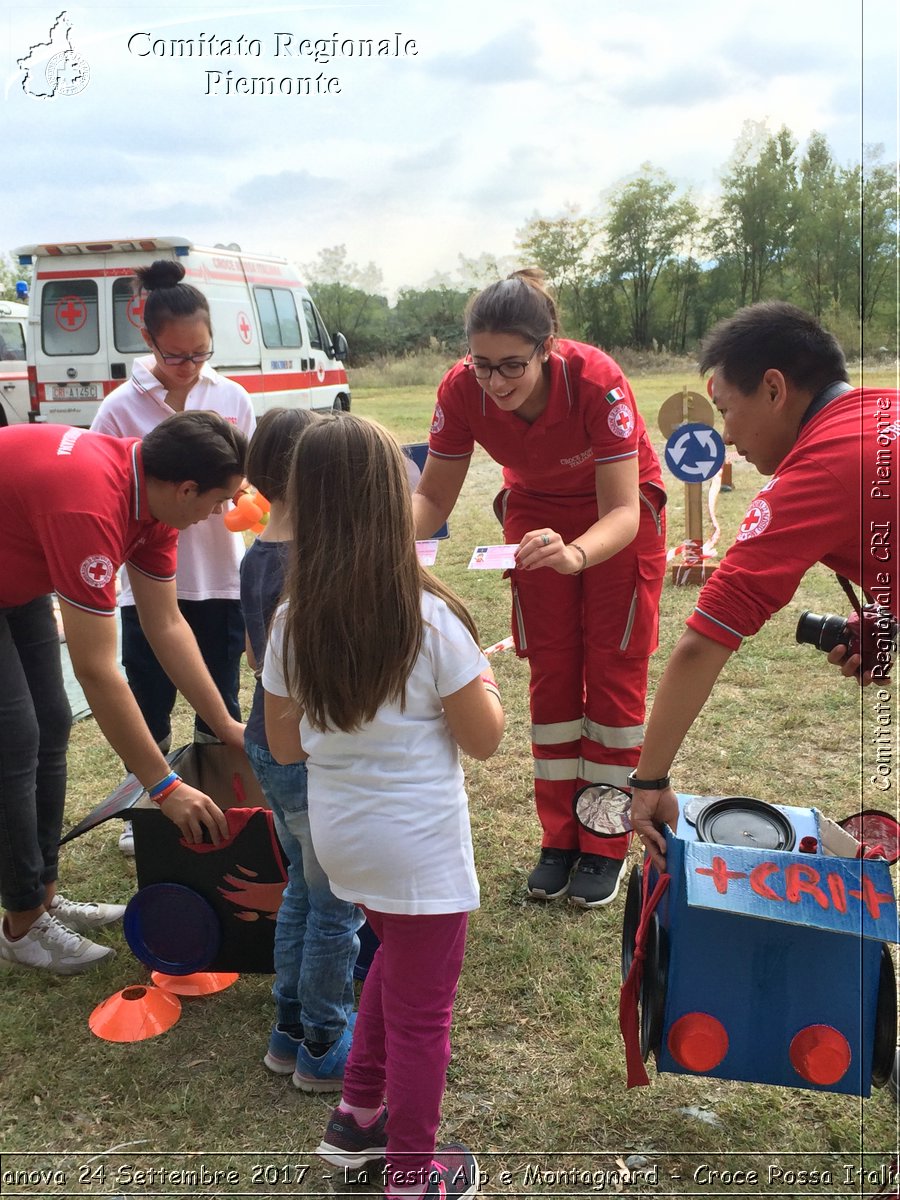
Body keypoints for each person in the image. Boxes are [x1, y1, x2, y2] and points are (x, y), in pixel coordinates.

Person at [262, 414, 503, 1200]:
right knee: (423, 1017)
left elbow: (286, 746)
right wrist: (488, 688)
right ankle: (411, 1177)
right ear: (390, 501)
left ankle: (357, 1117)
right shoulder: (431, 619)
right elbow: (484, 740)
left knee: (392, 966)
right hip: (420, 850)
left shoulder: (290, 622)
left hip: (343, 843)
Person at [412, 269, 667, 907]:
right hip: (534, 513)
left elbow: (623, 512)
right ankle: (559, 838)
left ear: (548, 348)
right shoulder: (460, 390)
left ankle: (604, 837)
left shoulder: (598, 381)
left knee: (610, 675)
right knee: (552, 674)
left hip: (616, 519)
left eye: (512, 367)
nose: (495, 383)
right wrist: (380, 547)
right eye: (482, 365)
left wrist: (576, 555)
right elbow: (434, 495)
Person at [628, 301, 899, 872]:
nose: (725, 436)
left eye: (726, 409)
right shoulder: (881, 413)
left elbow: (704, 642)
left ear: (774, 389)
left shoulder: (820, 469)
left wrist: (648, 780)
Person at [0, 411, 247, 974]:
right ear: (186, 489)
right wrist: (163, 786)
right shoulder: (90, 507)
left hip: (14, 571)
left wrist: (225, 725)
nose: (218, 514)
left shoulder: (153, 496)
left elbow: (166, 625)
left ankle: (43, 894)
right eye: (217, 502)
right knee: (14, 739)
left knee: (53, 725)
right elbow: (97, 669)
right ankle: (21, 924)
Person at [91, 259, 255, 857]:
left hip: (216, 576)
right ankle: (151, 807)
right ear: (149, 342)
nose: (189, 368)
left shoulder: (231, 397)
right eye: (176, 356)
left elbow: (250, 481)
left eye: (201, 355)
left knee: (219, 697)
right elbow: (115, 492)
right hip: (147, 584)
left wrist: (240, 501)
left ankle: (224, 797)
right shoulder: (119, 408)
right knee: (149, 697)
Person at [240, 407, 362, 1090]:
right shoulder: (309, 565)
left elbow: (259, 658)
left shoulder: (255, 552)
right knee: (335, 905)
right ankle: (323, 1039)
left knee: (302, 894)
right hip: (310, 754)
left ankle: (287, 1030)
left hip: (267, 742)